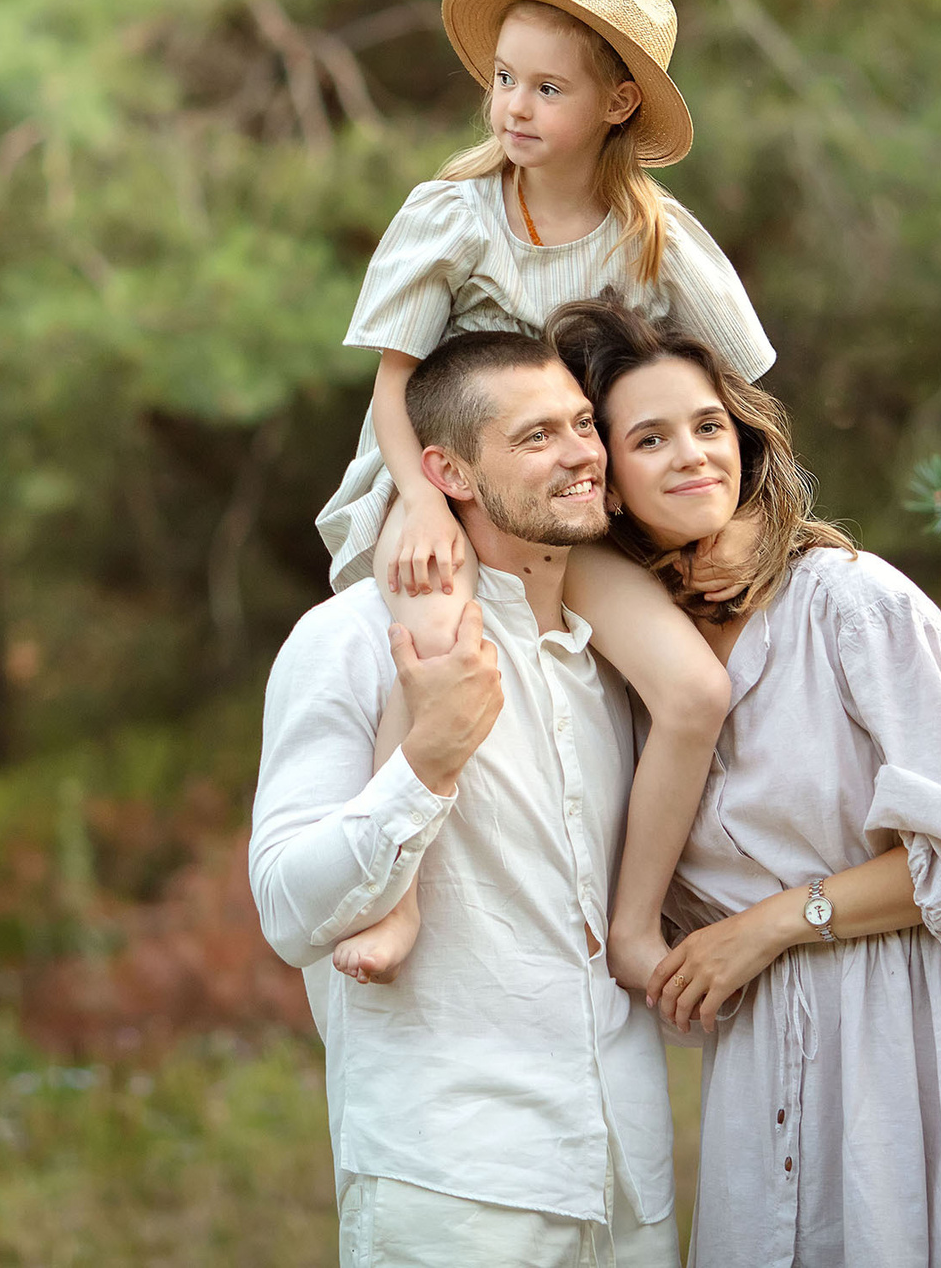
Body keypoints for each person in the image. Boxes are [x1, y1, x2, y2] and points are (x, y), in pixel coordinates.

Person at [547, 295, 941, 1268]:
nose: (693, 454)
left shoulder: (850, 603)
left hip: (915, 1045)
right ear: (612, 483)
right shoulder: (641, 672)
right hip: (759, 1067)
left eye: (709, 425)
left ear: (746, 442)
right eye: (651, 438)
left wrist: (765, 926)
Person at [316, 0, 773, 992]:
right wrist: (423, 501)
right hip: (442, 476)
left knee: (695, 690)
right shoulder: (454, 214)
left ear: (617, 104)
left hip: (572, 512)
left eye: (547, 88)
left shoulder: (651, 238)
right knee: (427, 624)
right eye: (504, 80)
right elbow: (393, 388)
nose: (513, 108)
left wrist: (742, 512)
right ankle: (397, 894)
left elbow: (738, 389)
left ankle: (632, 922)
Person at [250, 328, 680, 1267]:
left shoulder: (624, 659)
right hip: (454, 1182)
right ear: (444, 470)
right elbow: (287, 909)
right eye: (535, 438)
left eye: (581, 423)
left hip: (628, 1173)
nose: (582, 453)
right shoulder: (350, 642)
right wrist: (427, 761)